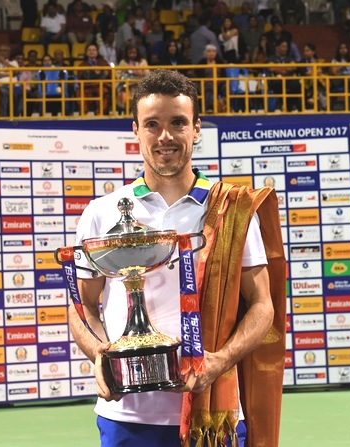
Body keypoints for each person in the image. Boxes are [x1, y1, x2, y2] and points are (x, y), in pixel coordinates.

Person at [68, 68, 286, 447]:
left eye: (177, 123)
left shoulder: (229, 210)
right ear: (135, 130)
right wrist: (101, 354)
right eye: (152, 124)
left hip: (213, 412)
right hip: (127, 415)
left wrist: (219, 360)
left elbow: (262, 305)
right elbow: (82, 305)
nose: (165, 136)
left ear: (196, 129)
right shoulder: (101, 213)